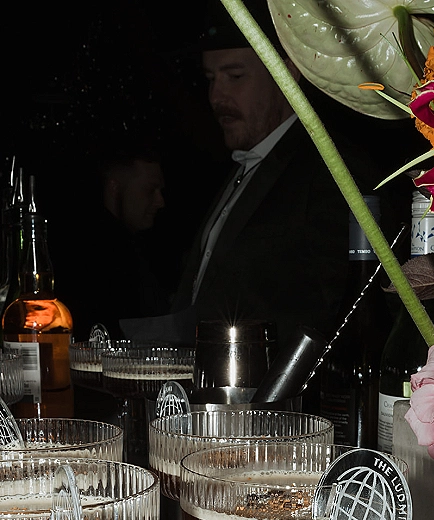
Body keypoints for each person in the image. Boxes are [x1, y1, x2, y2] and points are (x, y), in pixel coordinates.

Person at [120, 0, 397, 349]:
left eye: (235, 76)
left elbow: (349, 314)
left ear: (288, 73)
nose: (216, 95)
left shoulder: (331, 169)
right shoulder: (243, 168)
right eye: (210, 79)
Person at [57, 147, 170, 341]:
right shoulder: (96, 252)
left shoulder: (136, 245)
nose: (160, 201)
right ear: (114, 186)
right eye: (150, 190)